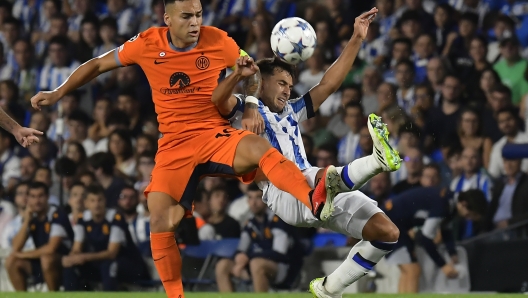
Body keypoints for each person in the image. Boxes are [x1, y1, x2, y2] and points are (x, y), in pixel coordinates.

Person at [29, 1, 344, 296]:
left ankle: (312, 200)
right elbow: (98, 65)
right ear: (167, 18)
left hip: (213, 132)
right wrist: (58, 93)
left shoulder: (219, 40)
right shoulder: (146, 43)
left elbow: (252, 72)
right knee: (160, 221)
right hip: (173, 145)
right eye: (187, 16)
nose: (195, 23)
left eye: (199, 15)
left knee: (259, 147)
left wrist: (250, 104)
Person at [217, 9, 405, 298]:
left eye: (290, 86)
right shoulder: (244, 109)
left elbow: (329, 83)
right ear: (261, 82)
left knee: (387, 233)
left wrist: (356, 38)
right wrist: (242, 82)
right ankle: (375, 162)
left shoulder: (292, 109)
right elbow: (217, 100)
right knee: (320, 175)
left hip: (317, 187)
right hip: (284, 193)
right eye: (281, 84)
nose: (287, 91)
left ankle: (329, 289)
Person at [382, 188, 488, 293]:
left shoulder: (449, 200)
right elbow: (426, 239)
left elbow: (446, 229)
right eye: (470, 215)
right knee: (412, 271)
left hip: (393, 224)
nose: (468, 219)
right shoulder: (442, 205)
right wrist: (443, 265)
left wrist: (452, 253)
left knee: (409, 271)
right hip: (388, 223)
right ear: (464, 204)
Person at [62, 185, 150, 290]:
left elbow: (112, 253)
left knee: (108, 266)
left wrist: (83, 257)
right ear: (86, 203)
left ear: (105, 201)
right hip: (100, 261)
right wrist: (71, 258)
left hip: (127, 263)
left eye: (99, 200)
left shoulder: (115, 218)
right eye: (92, 201)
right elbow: (77, 248)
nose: (96, 204)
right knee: (69, 267)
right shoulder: (83, 219)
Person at [6, 182, 74, 292]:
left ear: (47, 197)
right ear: (28, 199)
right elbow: (16, 247)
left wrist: (22, 254)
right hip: (42, 261)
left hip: (63, 262)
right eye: (33, 196)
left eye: (40, 196)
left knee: (47, 258)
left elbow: (51, 248)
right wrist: (27, 221)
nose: (37, 201)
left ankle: (53, 295)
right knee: (11, 261)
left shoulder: (57, 214)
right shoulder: (31, 216)